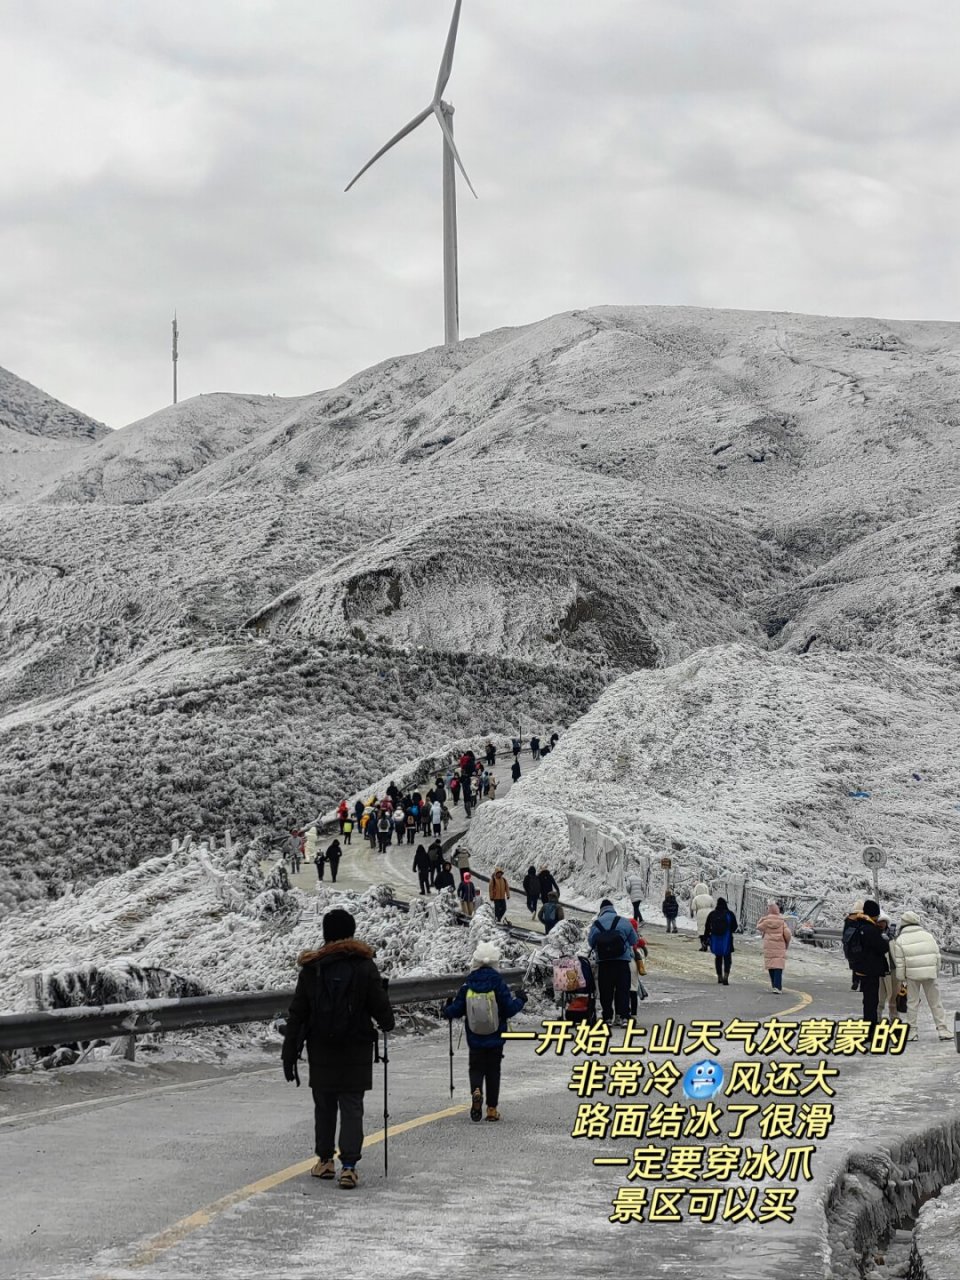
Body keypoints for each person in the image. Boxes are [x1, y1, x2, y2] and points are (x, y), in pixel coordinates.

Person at [281, 908, 394, 1190]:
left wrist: (289, 1050)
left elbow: (297, 1013)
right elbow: (384, 1014)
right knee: (352, 1105)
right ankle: (350, 1167)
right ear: (352, 932)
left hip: (321, 1047)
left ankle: (324, 1161)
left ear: (325, 934)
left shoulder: (312, 968)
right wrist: (384, 1018)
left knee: (325, 1105)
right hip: (356, 1047)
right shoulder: (364, 965)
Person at [443, 940, 527, 1122]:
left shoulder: (468, 985)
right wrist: (521, 999)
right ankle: (491, 1109)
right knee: (493, 1071)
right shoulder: (498, 983)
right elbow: (509, 1008)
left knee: (476, 1068)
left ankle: (476, 1090)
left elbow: (455, 1011)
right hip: (496, 1037)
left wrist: (447, 1008)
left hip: (475, 1038)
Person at [890, 910, 952, 1041]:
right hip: (930, 974)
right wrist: (935, 971)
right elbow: (937, 956)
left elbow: (900, 963)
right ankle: (943, 1029)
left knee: (912, 1003)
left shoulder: (901, 939)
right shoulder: (928, 936)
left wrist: (902, 979)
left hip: (912, 976)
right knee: (935, 1002)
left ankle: (912, 1032)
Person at [587, 899, 639, 1025]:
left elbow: (591, 942)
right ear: (613, 908)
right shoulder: (624, 921)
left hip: (604, 962)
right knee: (623, 989)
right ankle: (624, 1017)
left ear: (601, 910)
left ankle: (607, 1017)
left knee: (606, 990)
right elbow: (634, 940)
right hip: (622, 962)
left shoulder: (597, 924)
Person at [844, 898, 890, 1025]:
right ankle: (870, 1029)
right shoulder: (870, 929)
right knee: (871, 1001)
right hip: (871, 970)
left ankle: (867, 1025)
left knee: (867, 1000)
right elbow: (883, 947)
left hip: (861, 968)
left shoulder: (859, 925)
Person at [756, 902, 792, 993]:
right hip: (779, 946)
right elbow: (788, 934)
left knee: (771, 966)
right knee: (778, 967)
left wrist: (762, 919)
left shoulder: (766, 921)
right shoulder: (782, 921)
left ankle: (774, 985)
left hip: (769, 947)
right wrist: (786, 942)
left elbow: (758, 927)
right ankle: (778, 987)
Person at [705, 897, 738, 985]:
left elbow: (707, 927)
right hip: (727, 939)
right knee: (727, 958)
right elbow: (734, 927)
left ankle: (719, 976)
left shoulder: (712, 914)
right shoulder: (729, 914)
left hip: (716, 939)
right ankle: (726, 976)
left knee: (718, 957)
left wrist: (706, 938)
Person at [842, 902, 865, 991]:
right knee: (863, 965)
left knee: (854, 965)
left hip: (849, 947)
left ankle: (855, 981)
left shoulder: (848, 920)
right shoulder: (862, 919)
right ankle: (862, 984)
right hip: (860, 946)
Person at [690, 882, 714, 951]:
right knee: (709, 929)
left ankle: (704, 945)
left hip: (700, 913)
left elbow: (693, 907)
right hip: (709, 913)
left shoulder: (696, 898)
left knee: (701, 929)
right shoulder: (709, 897)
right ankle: (710, 941)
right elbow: (713, 905)